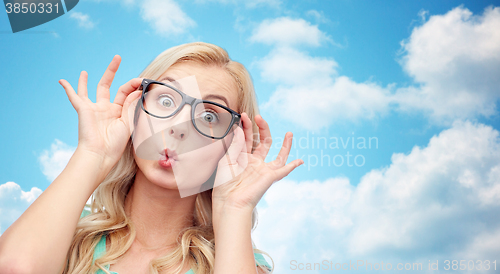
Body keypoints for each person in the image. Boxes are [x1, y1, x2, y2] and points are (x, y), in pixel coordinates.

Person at [0, 42, 303, 274]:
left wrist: (233, 206)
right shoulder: (66, 230)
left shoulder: (235, 259)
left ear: (233, 145)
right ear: (136, 110)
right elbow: (15, 268)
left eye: (209, 115)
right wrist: (93, 153)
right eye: (167, 100)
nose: (178, 128)